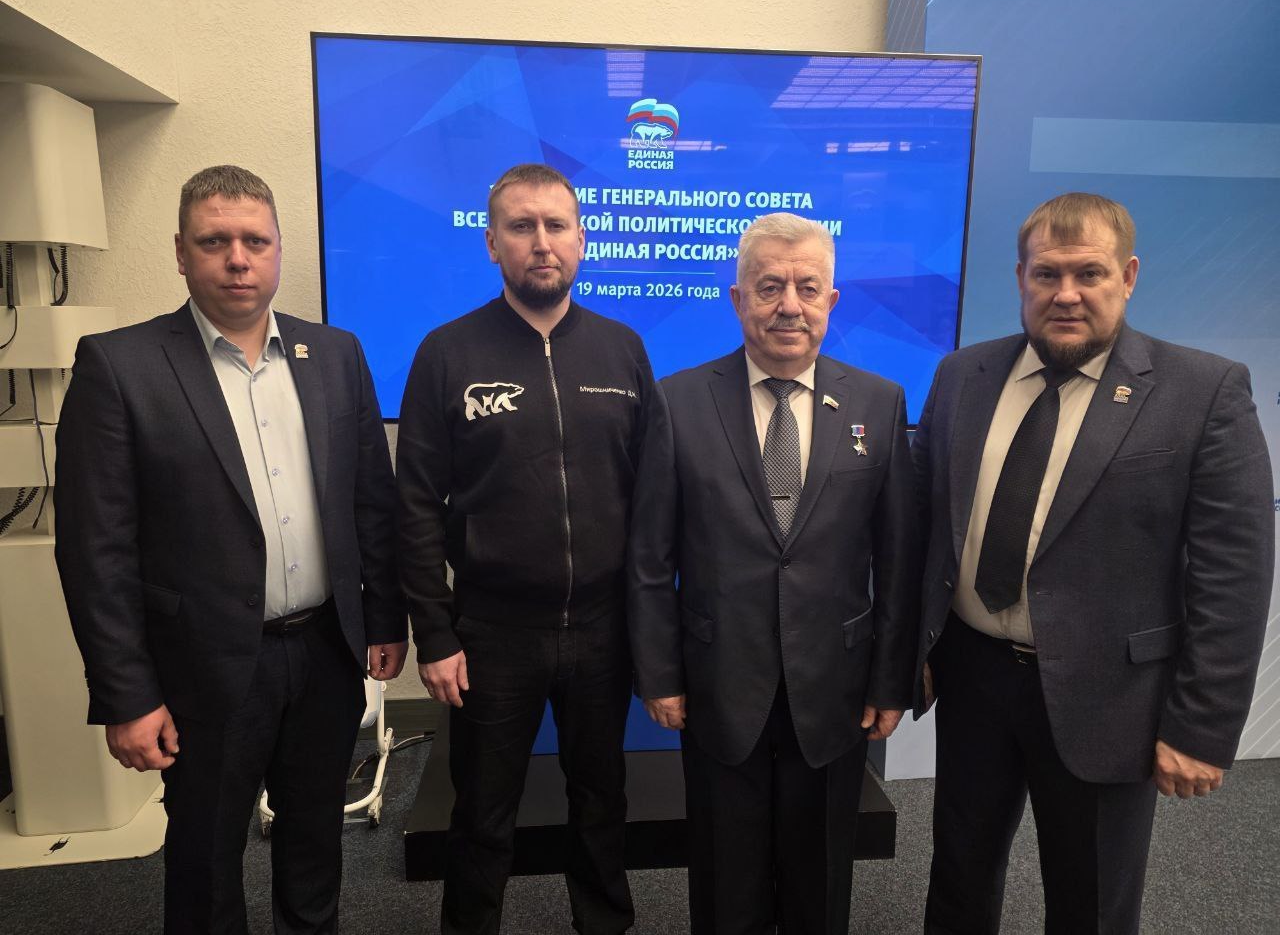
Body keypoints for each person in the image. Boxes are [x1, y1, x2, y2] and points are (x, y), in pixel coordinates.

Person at [54, 165, 407, 935]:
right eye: (215, 242)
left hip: (325, 653)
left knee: (315, 845)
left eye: (255, 241)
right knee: (205, 859)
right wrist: (126, 694)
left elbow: (370, 504)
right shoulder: (120, 366)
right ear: (181, 253)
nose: (237, 259)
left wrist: (384, 621)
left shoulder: (335, 354)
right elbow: (94, 552)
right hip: (201, 668)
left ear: (278, 250)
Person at [913, 192, 1274, 934]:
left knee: (1092, 901)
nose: (1067, 294)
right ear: (1020, 278)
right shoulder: (962, 376)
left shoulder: (1203, 392)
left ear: (1128, 276)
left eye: (1090, 273)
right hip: (973, 677)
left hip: (1110, 696)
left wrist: (1202, 726)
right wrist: (907, 650)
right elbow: (924, 525)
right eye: (1047, 274)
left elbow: (1233, 577)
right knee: (958, 877)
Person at [627, 213, 919, 934]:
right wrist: (659, 674)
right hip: (719, 684)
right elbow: (649, 558)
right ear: (738, 299)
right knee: (726, 882)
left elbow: (898, 559)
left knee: (821, 881)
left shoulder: (879, 403)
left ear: (831, 301)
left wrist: (892, 681)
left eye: (807, 288)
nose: (790, 305)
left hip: (836, 688)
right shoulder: (677, 400)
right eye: (770, 287)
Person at [397, 163, 654, 935]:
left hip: (603, 630)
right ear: (492, 243)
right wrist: (434, 633)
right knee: (482, 814)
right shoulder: (447, 353)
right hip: (491, 634)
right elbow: (415, 505)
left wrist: (652, 627)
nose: (541, 242)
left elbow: (652, 498)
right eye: (521, 226)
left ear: (582, 239)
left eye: (556, 225)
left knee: (602, 802)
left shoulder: (622, 350)